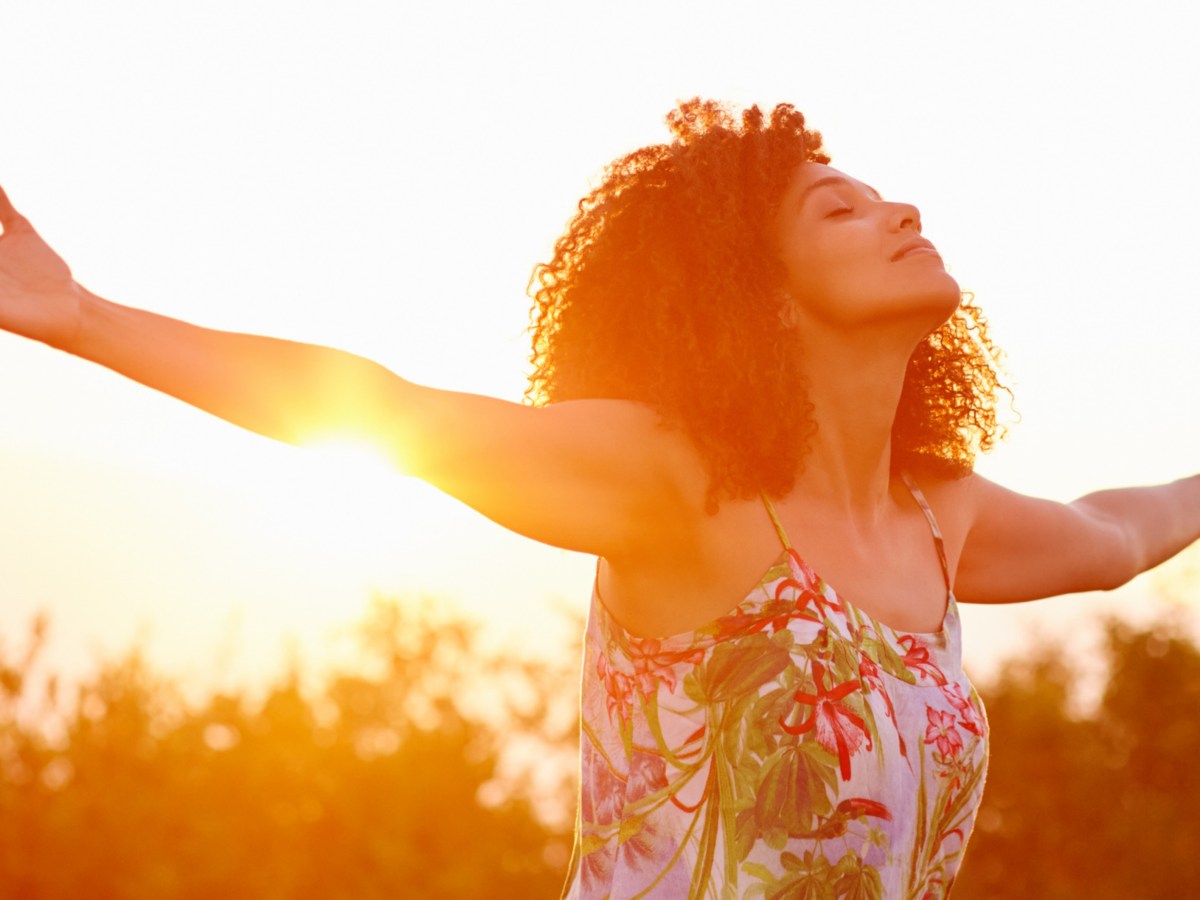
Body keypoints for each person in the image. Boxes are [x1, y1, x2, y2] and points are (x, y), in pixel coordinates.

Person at [0, 99, 1195, 898]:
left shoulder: (940, 515)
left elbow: (1112, 536)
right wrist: (86, 317)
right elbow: (389, 408)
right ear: (757, 298)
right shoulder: (677, 488)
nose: (901, 212)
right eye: (839, 207)